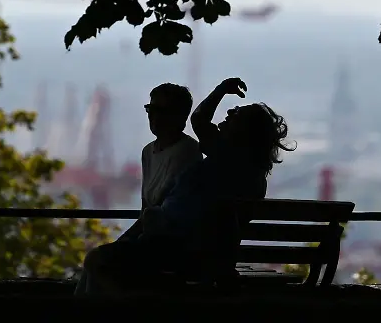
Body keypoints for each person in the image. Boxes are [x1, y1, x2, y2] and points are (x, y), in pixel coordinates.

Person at [75, 77, 295, 296]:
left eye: (237, 113)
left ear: (246, 131)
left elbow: (199, 119)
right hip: (186, 251)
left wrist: (221, 90)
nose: (230, 112)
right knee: (97, 266)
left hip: (177, 253)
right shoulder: (245, 168)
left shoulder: (226, 157)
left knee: (97, 261)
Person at [74, 82, 201, 296]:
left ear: (180, 116)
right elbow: (147, 208)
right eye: (151, 109)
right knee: (93, 267)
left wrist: (125, 240)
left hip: (174, 244)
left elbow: (160, 206)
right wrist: (125, 239)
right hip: (152, 238)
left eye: (161, 110)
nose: (154, 116)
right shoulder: (148, 152)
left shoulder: (187, 151)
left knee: (95, 261)